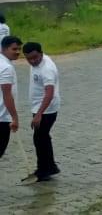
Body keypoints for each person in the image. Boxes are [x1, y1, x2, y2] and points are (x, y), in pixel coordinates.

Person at [24, 42, 61, 180]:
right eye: (29, 59)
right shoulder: (36, 63)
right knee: (42, 137)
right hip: (39, 106)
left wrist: (39, 114)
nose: (33, 61)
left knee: (39, 138)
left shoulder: (47, 69)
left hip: (47, 109)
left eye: (35, 57)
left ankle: (44, 170)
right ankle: (49, 166)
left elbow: (49, 93)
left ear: (41, 53)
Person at [0, 36, 21, 160]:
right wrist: (15, 117)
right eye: (14, 49)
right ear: (4, 49)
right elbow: (7, 94)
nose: (18, 52)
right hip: (2, 117)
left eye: (19, 49)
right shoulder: (6, 68)